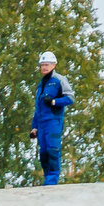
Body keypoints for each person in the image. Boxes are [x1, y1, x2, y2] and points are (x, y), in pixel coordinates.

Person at [34, 52, 74, 185]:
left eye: (47, 65)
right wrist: (34, 127)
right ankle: (47, 178)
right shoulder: (40, 85)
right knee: (43, 152)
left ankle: (52, 180)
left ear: (54, 65)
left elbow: (70, 98)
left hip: (53, 121)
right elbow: (38, 108)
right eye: (42, 65)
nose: (44, 67)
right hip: (42, 123)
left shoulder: (59, 80)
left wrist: (54, 102)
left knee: (52, 149)